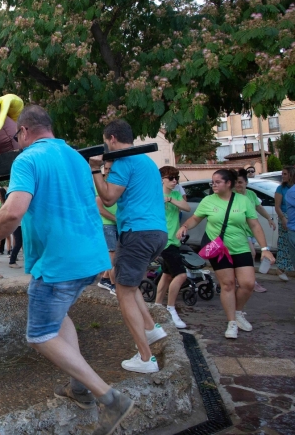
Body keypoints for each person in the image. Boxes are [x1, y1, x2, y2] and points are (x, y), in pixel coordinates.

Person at [0, 106, 134, 434]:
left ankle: (110, 398)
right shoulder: (76, 157)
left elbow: (12, 212)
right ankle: (78, 388)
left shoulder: (27, 159)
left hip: (59, 262)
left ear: (23, 132)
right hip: (89, 258)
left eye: (15, 137)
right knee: (59, 318)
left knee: (40, 335)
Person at [92, 119, 168, 374]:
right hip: (156, 233)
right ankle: (151, 329)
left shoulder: (124, 161)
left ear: (112, 139)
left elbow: (109, 198)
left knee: (122, 292)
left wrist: (95, 170)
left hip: (137, 233)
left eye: (105, 141)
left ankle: (146, 359)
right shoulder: (147, 161)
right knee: (127, 282)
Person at [178, 169, 274, 338]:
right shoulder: (208, 201)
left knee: (248, 284)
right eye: (212, 182)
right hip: (219, 250)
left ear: (228, 183)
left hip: (241, 247)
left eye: (217, 182)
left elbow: (255, 226)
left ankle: (238, 312)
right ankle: (231, 323)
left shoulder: (243, 201)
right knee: (228, 284)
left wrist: (265, 249)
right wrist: (185, 226)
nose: (213, 185)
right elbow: (196, 218)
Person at [154, 166, 192, 329]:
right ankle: (170, 309)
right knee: (181, 275)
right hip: (164, 240)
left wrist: (169, 199)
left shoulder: (175, 194)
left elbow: (187, 207)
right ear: (161, 179)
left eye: (176, 178)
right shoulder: (154, 194)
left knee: (168, 274)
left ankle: (156, 307)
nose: (175, 181)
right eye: (171, 178)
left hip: (174, 240)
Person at [235, 168, 276, 293]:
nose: (238, 185)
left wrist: (269, 218)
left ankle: (242, 280)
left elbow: (259, 207)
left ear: (246, 183)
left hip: (250, 231)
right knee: (252, 254)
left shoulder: (251, 194)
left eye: (240, 182)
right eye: (236, 182)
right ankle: (251, 281)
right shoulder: (231, 195)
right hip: (239, 231)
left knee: (245, 257)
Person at [95, 162, 118, 295]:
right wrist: (115, 218)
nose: (108, 171)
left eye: (111, 169)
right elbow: (99, 208)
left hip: (116, 223)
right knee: (112, 254)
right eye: (107, 168)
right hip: (106, 223)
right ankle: (114, 285)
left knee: (114, 253)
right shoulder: (100, 184)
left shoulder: (116, 183)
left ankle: (104, 279)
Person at [273, 166, 293, 281]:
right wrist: (283, 218)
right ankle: (281, 268)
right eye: (283, 174)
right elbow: (277, 206)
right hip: (285, 217)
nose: (283, 176)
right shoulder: (281, 188)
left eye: (285, 174)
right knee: (285, 243)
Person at [0, 188, 13, 256]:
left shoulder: (7, 201)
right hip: (0, 221)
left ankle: (9, 251)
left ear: (1, 193)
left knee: (8, 236)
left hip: (6, 221)